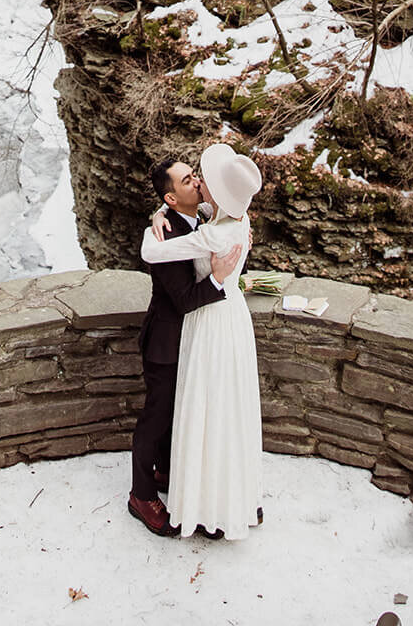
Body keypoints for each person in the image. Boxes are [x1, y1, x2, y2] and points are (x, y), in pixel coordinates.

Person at [138, 142, 263, 541]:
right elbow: (181, 294)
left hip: (209, 327)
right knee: (159, 419)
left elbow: (156, 250)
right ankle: (142, 495)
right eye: (189, 178)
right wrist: (157, 216)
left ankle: (198, 489)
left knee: (211, 412)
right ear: (172, 197)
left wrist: (217, 278)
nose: (198, 181)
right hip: (173, 337)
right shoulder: (216, 218)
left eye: (199, 176)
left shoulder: (212, 224)